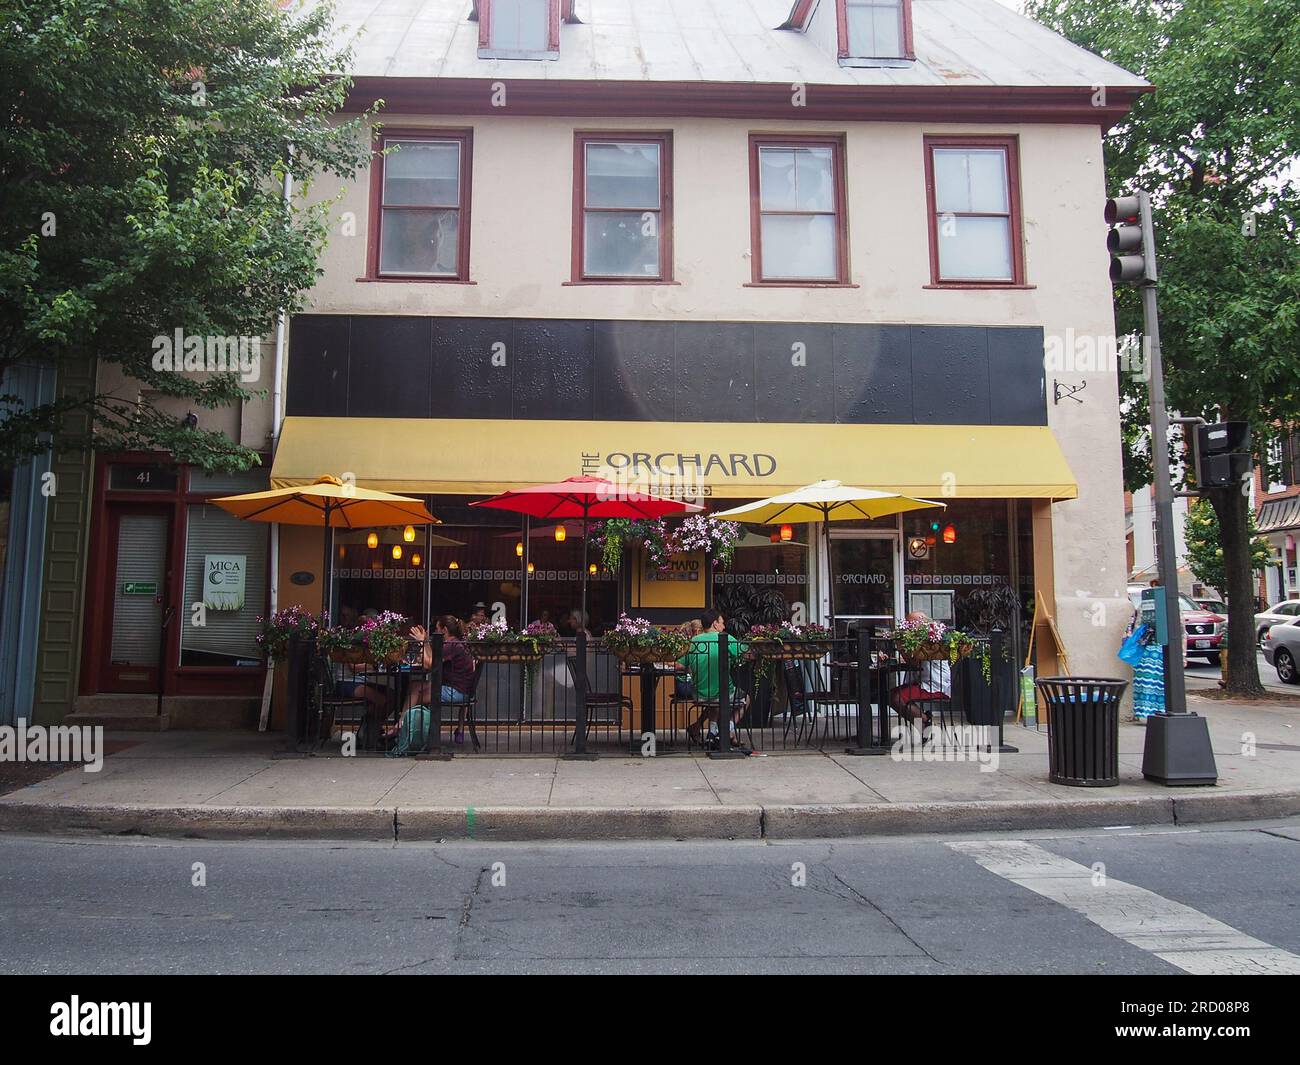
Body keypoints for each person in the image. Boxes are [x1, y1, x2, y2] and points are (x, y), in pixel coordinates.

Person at [389, 616, 479, 745]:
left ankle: (403, 729)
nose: (434, 632)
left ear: (445, 630)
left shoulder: (452, 645)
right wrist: (425, 641)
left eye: (437, 629)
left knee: (411, 699)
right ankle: (405, 726)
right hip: (454, 688)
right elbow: (433, 657)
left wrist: (422, 642)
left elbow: (428, 665)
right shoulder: (453, 643)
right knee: (414, 687)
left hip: (457, 692)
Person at [680, 610, 749, 746]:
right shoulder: (725, 638)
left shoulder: (694, 641)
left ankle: (711, 734)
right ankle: (727, 730)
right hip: (722, 693)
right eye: (722, 623)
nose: (724, 627)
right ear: (715, 624)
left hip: (699, 695)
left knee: (714, 701)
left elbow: (679, 665)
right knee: (746, 699)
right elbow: (746, 653)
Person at [888, 611, 951, 737]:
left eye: (911, 624)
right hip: (923, 681)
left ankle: (925, 723)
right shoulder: (922, 638)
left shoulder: (931, 638)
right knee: (890, 695)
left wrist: (901, 647)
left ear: (922, 623)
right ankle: (924, 722)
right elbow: (914, 662)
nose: (908, 627)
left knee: (897, 697)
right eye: (908, 624)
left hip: (934, 684)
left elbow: (914, 662)